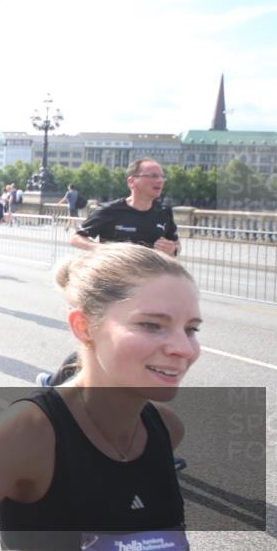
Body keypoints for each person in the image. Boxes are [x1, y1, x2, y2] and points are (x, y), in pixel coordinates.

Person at [0, 243, 201, 551]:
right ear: (84, 327)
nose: (184, 349)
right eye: (151, 325)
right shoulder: (29, 433)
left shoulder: (166, 428)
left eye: (191, 329)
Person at [40, 160, 181, 387]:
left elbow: (175, 244)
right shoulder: (111, 211)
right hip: (113, 288)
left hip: (146, 291)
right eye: (152, 175)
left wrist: (173, 249)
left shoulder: (163, 212)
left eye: (162, 176)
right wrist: (105, 250)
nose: (160, 181)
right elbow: (76, 237)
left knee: (134, 345)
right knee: (99, 342)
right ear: (132, 181)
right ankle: (55, 385)